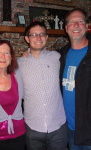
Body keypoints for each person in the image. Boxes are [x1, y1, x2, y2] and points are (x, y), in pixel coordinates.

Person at [18, 21, 68, 150]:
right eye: (34, 35)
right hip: (32, 128)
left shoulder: (58, 58)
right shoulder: (19, 64)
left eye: (42, 34)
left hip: (58, 127)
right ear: (27, 39)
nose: (38, 38)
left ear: (46, 38)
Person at [59, 8, 91, 150]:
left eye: (80, 21)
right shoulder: (61, 55)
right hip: (70, 130)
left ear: (87, 26)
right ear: (66, 28)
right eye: (72, 22)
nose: (76, 25)